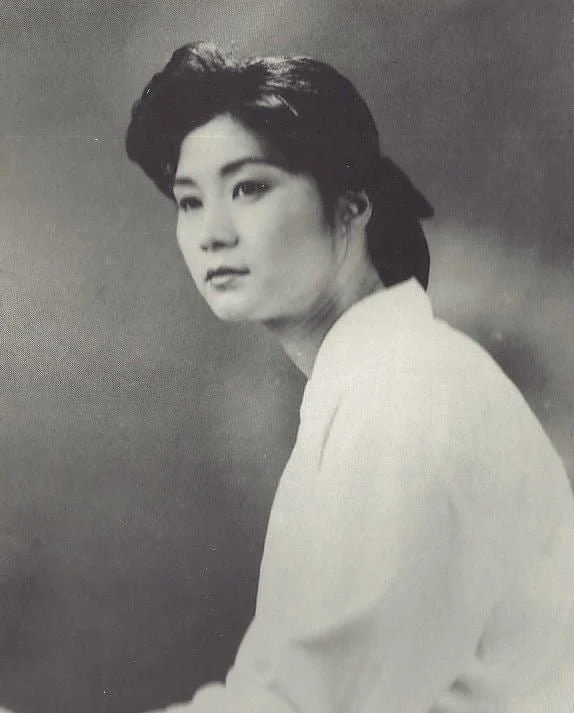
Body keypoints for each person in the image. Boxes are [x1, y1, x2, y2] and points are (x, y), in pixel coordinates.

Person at [125, 42, 574, 713]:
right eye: (189, 202)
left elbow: (303, 705)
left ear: (350, 205)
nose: (211, 232)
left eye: (249, 188)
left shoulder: (399, 395)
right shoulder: (379, 378)